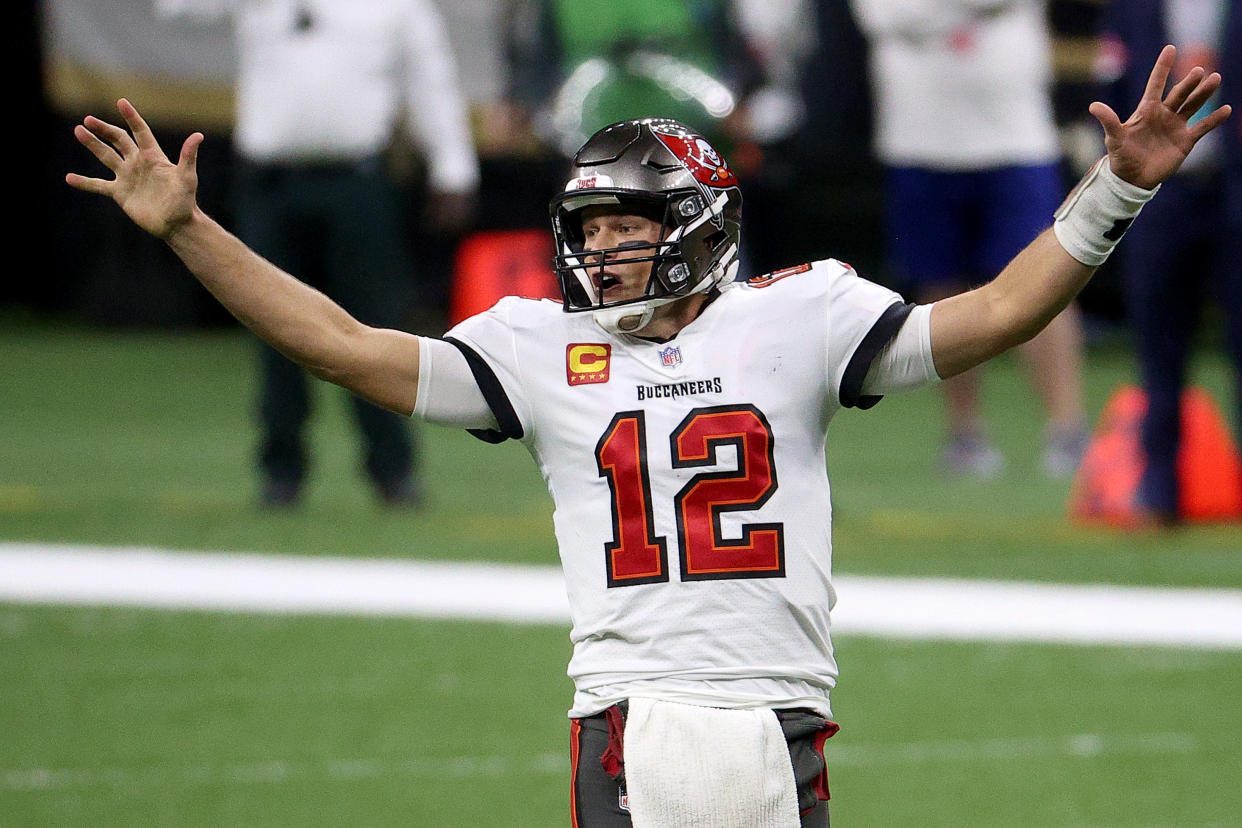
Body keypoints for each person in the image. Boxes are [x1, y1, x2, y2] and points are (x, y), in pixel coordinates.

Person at [65, 46, 1227, 826]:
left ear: (702, 227)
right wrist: (191, 232)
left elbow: (999, 312)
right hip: (633, 713)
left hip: (785, 714)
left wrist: (1112, 193)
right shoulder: (537, 346)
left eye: (626, 226)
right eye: (589, 228)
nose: (601, 251)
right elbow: (341, 344)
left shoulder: (798, 316)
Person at [162, 0, 481, 507]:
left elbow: (430, 80)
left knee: (375, 327)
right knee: (270, 322)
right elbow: (175, 10)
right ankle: (280, 472)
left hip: (358, 181)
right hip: (270, 182)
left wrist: (453, 167)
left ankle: (392, 472)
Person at [848, 0, 1092, 478]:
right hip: (918, 141)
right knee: (939, 289)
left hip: (1016, 139)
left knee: (1050, 283)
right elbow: (883, 17)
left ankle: (1068, 430)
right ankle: (966, 435)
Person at [1099, 0, 1242, 523]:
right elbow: (1111, 79)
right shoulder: (1134, 7)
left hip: (1233, 184)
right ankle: (1159, 489)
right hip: (1160, 195)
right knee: (1158, 346)